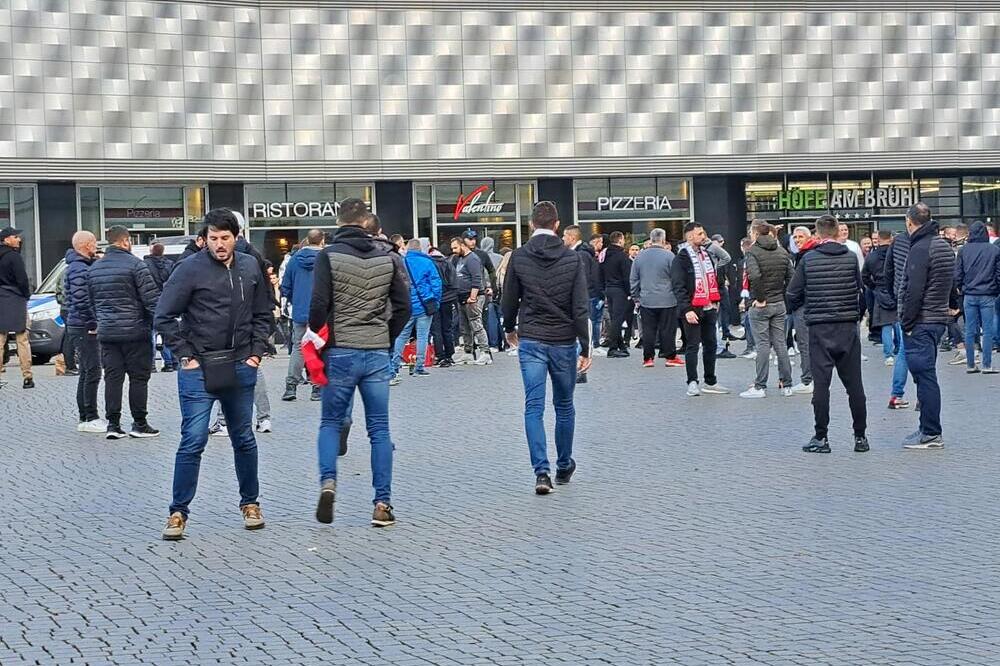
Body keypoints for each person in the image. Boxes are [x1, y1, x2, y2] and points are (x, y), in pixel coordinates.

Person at [155, 209, 273, 540]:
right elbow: (164, 316)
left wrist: (256, 353)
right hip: (199, 367)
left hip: (240, 363)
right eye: (213, 238)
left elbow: (263, 312)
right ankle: (178, 512)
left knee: (244, 438)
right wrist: (185, 356)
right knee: (193, 439)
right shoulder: (189, 268)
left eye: (225, 238)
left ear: (236, 237)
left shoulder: (250, 266)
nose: (219, 244)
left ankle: (250, 503)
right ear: (204, 239)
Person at [309, 201, 410, 527]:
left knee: (330, 421)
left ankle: (328, 482)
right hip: (377, 350)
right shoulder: (388, 257)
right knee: (379, 429)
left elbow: (318, 304)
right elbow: (404, 306)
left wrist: (319, 336)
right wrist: (387, 336)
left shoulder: (329, 256)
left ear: (340, 221)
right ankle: (382, 503)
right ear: (367, 222)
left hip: (340, 350)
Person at [501, 201, 591, 495]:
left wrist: (509, 328)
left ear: (530, 224)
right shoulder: (571, 258)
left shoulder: (519, 256)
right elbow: (580, 306)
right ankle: (564, 463)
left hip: (533, 339)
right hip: (564, 340)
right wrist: (586, 346)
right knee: (564, 406)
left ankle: (542, 472)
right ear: (557, 225)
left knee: (533, 406)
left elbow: (509, 297)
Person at [786, 214, 868, 454]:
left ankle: (821, 437)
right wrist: (857, 315)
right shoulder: (851, 258)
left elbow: (792, 293)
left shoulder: (809, 259)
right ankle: (860, 437)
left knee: (821, 386)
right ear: (837, 232)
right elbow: (860, 291)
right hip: (847, 327)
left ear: (818, 234)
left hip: (820, 328)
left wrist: (803, 309)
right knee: (855, 386)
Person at [88, 226, 160, 439]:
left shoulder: (94, 269)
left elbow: (92, 303)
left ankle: (113, 424)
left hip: (108, 333)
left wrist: (102, 321)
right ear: (126, 241)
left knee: (112, 378)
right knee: (138, 378)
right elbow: (151, 300)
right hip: (135, 332)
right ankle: (139, 423)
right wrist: (155, 323)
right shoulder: (137, 265)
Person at [899, 203, 955, 449]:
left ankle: (931, 432)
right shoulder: (942, 245)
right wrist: (952, 304)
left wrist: (907, 322)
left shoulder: (920, 248)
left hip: (922, 321)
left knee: (924, 377)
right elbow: (949, 280)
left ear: (910, 222)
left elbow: (914, 289)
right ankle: (926, 428)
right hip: (937, 318)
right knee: (927, 374)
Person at [672, 222, 732, 396]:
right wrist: (686, 309)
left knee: (711, 344)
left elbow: (726, 257)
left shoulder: (707, 253)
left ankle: (710, 381)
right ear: (690, 236)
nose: (703, 236)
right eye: (699, 234)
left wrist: (714, 302)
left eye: (704, 233)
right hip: (692, 308)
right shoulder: (681, 258)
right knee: (692, 346)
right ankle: (692, 382)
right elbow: (678, 286)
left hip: (709, 306)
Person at [741, 221, 794, 398]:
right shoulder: (782, 252)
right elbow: (791, 277)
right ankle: (787, 384)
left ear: (755, 234)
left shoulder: (752, 252)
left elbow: (754, 275)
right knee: (780, 344)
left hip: (762, 305)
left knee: (762, 345)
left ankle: (760, 386)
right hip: (779, 303)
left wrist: (760, 298)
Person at [63, 231, 104, 432]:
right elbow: (80, 298)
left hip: (80, 323)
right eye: (94, 242)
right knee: (92, 370)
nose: (96, 246)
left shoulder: (80, 266)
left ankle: (86, 416)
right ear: (86, 245)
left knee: (87, 371)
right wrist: (92, 323)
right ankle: (90, 416)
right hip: (83, 325)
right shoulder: (78, 268)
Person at [280, 229, 324, 401]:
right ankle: (316, 388)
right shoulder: (326, 258)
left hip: (299, 310)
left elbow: (285, 285)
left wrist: (294, 300)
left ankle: (290, 386)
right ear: (322, 240)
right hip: (320, 311)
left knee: (298, 347)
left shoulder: (294, 260)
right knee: (317, 347)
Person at [390, 238, 442, 384]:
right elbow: (436, 284)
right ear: (420, 249)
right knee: (422, 336)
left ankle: (394, 366)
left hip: (407, 305)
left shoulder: (402, 262)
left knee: (402, 336)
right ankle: (419, 366)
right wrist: (435, 301)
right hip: (425, 304)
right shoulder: (427, 262)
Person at [629, 228, 682, 368]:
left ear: (651, 239)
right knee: (668, 330)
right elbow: (677, 278)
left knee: (648, 330)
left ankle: (648, 358)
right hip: (667, 299)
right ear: (663, 240)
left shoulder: (640, 256)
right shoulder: (670, 256)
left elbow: (634, 279)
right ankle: (670, 356)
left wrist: (636, 297)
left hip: (646, 299)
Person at [955, 221, 1000, 373]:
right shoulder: (994, 250)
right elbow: (998, 274)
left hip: (969, 294)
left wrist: (960, 288)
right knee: (987, 330)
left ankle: (970, 363)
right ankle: (986, 365)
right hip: (988, 293)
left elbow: (958, 274)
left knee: (969, 330)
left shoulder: (963, 250)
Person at [562, 224, 600, 383]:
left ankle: (579, 370)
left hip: (582, 300)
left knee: (582, 331)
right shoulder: (577, 254)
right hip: (580, 299)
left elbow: (581, 280)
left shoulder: (580, 255)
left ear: (572, 237)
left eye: (564, 236)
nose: (562, 239)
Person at [0, 227, 33, 389]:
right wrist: (26, 295)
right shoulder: (14, 257)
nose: (19, 239)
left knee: (0, 339)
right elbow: (22, 279)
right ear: (6, 239)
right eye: (15, 236)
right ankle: (27, 376)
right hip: (16, 298)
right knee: (22, 338)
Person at [786, 225, 817, 393]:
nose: (797, 240)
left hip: (804, 305)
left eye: (800, 237)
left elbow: (799, 284)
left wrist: (793, 301)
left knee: (805, 343)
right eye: (795, 237)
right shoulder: (803, 254)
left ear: (809, 237)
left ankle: (807, 380)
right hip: (810, 304)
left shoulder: (806, 255)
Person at [450, 236, 491, 364]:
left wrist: (473, 297)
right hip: (462, 297)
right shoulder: (460, 259)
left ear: (462, 245)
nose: (454, 251)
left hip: (473, 297)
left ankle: (485, 352)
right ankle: (468, 352)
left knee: (476, 324)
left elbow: (477, 278)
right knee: (464, 326)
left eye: (456, 247)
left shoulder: (472, 258)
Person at [863, 230, 901, 366]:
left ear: (877, 239)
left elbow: (864, 277)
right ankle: (900, 348)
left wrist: (873, 287)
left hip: (880, 290)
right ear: (891, 238)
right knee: (898, 322)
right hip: (896, 289)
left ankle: (888, 354)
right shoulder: (896, 254)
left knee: (885, 324)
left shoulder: (871, 257)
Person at [143, 243, 176, 372]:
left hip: (150, 303)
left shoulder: (145, 264)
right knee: (167, 334)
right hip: (167, 303)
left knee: (151, 336)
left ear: (151, 251)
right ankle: (170, 363)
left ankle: (151, 365)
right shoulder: (170, 264)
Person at [603, 231, 632, 357]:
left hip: (609, 289)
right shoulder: (622, 256)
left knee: (614, 317)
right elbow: (627, 277)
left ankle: (621, 345)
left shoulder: (605, 255)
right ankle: (613, 347)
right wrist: (629, 292)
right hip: (619, 290)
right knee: (618, 320)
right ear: (620, 240)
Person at [429, 246, 458, 367]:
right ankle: (449, 354)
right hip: (448, 299)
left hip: (436, 299)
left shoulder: (430, 264)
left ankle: (439, 355)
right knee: (447, 327)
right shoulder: (448, 263)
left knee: (436, 329)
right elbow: (454, 281)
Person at [586, 233, 607, 357]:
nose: (602, 245)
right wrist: (600, 293)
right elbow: (595, 278)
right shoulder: (591, 258)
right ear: (595, 242)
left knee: (594, 320)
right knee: (595, 321)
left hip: (592, 292)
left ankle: (594, 343)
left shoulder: (592, 257)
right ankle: (595, 344)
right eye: (600, 242)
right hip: (594, 293)